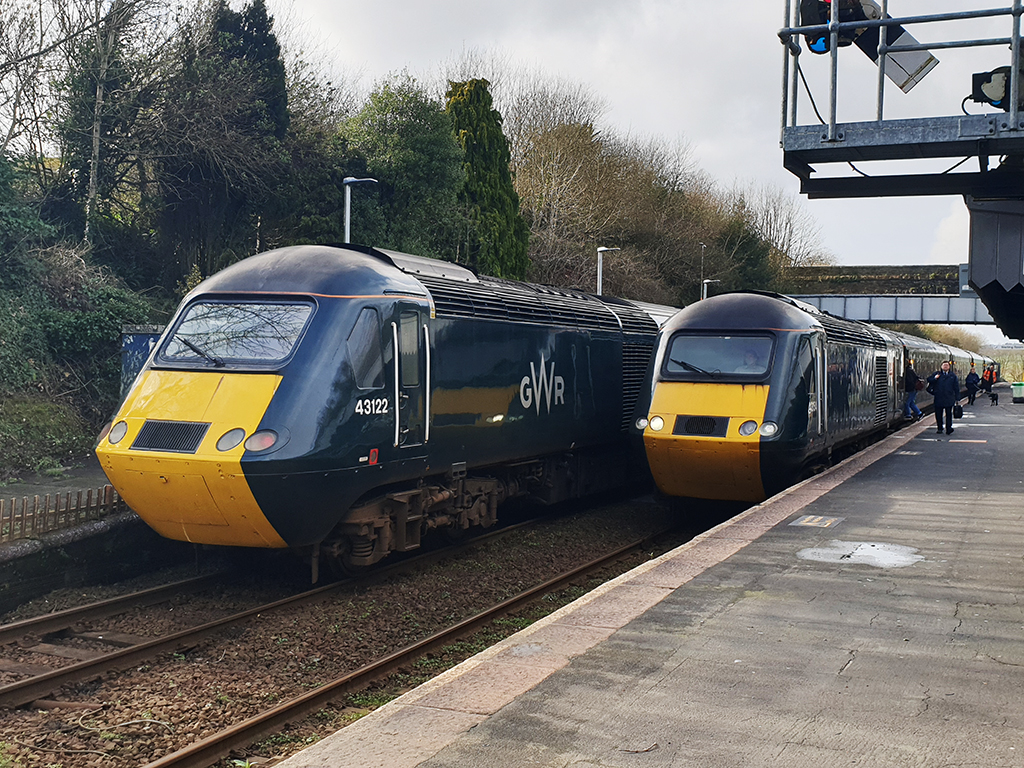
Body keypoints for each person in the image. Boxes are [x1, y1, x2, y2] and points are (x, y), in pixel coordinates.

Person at [926, 360, 960, 435]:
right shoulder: (937, 374)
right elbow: (929, 380)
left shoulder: (952, 376)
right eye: (944, 365)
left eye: (947, 365)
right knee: (938, 414)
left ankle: (948, 428)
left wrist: (957, 398)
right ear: (941, 366)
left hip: (949, 397)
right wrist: (935, 378)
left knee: (949, 414)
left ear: (949, 367)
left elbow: (956, 387)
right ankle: (940, 428)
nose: (945, 366)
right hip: (939, 397)